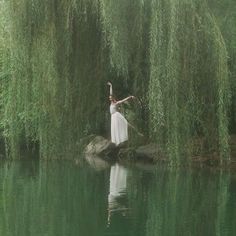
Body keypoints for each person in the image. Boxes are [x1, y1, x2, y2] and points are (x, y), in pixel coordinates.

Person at [107, 82, 134, 146]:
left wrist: (130, 97)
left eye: (111, 98)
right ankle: (116, 141)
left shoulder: (116, 103)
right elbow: (111, 93)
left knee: (119, 126)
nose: (110, 99)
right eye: (109, 98)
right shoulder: (111, 102)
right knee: (114, 128)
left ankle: (120, 140)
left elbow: (123, 100)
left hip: (116, 116)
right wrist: (111, 86)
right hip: (112, 117)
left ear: (113, 98)